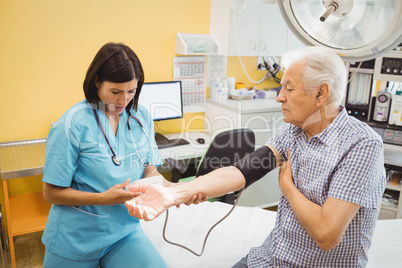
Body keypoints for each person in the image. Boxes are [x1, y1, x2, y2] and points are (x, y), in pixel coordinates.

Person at [125, 46, 386, 267]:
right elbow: (239, 172)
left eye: (288, 88)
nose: (279, 97)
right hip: (271, 256)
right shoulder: (294, 131)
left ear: (321, 94)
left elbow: (326, 234)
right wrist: (174, 194)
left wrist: (287, 187)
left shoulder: (361, 146)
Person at [41, 42, 205, 268]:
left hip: (123, 232)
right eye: (116, 92)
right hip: (75, 237)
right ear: (97, 81)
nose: (123, 101)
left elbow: (149, 170)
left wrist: (178, 191)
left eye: (131, 91)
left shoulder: (140, 118)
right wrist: (102, 199)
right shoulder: (72, 124)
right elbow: (51, 193)